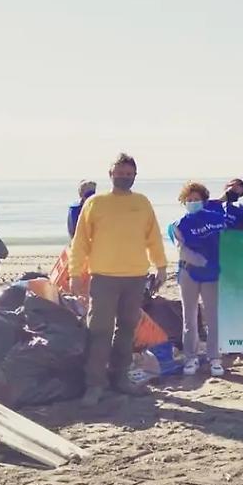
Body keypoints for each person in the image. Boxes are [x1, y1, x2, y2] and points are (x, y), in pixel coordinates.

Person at [69, 153, 168, 407]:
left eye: (128, 174)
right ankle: (94, 385)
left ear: (135, 176)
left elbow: (154, 237)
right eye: (119, 173)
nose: (124, 177)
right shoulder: (96, 203)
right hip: (103, 278)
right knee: (99, 331)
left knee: (126, 331)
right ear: (110, 175)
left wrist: (161, 266)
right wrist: (74, 274)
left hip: (135, 278)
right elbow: (80, 242)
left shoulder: (142, 203)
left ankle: (120, 378)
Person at [173, 181, 227, 377]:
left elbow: (229, 240)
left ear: (204, 200)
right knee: (190, 317)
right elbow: (181, 250)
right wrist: (201, 261)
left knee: (213, 316)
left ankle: (214, 357)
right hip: (189, 274)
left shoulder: (218, 219)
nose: (192, 202)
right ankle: (191, 357)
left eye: (196, 199)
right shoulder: (179, 224)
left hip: (213, 274)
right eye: (189, 200)